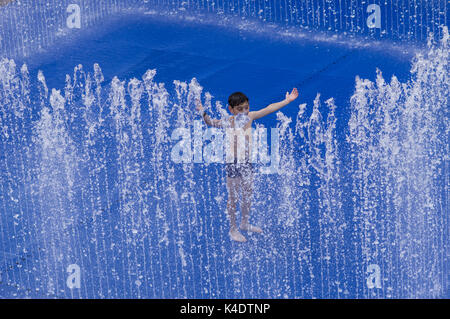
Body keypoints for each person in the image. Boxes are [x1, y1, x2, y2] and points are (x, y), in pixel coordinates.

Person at [196, 88, 299, 242]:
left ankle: (244, 223)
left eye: (246, 108)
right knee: (233, 198)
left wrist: (287, 100)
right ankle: (233, 229)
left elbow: (269, 108)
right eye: (239, 109)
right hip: (233, 163)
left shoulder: (250, 117)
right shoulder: (228, 121)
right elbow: (210, 122)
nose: (244, 112)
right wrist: (202, 112)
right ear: (230, 109)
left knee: (248, 193)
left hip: (246, 162)